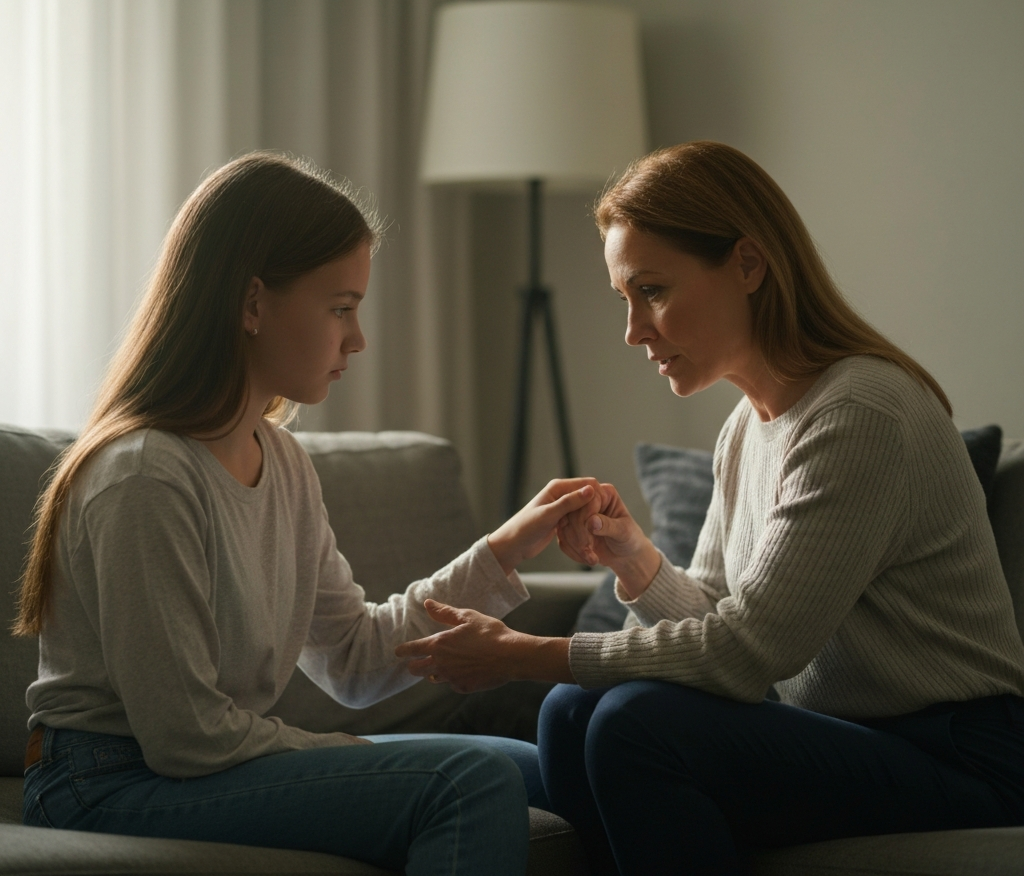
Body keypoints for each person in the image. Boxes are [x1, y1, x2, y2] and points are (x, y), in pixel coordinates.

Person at [395, 141, 1024, 876]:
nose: (634, 331)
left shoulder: (860, 414)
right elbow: (721, 613)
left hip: (958, 752)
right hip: (838, 736)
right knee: (570, 713)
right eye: (624, 300)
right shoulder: (746, 427)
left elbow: (746, 653)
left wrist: (521, 655)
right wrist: (634, 561)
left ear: (748, 265)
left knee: (634, 725)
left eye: (653, 292)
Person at [15, 152, 600, 876]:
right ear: (253, 303)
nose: (357, 340)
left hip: (198, 761)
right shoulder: (145, 477)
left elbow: (353, 660)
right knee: (464, 779)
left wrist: (506, 550)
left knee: (543, 768)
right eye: (341, 308)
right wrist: (356, 757)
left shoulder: (283, 461)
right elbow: (186, 738)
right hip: (107, 780)